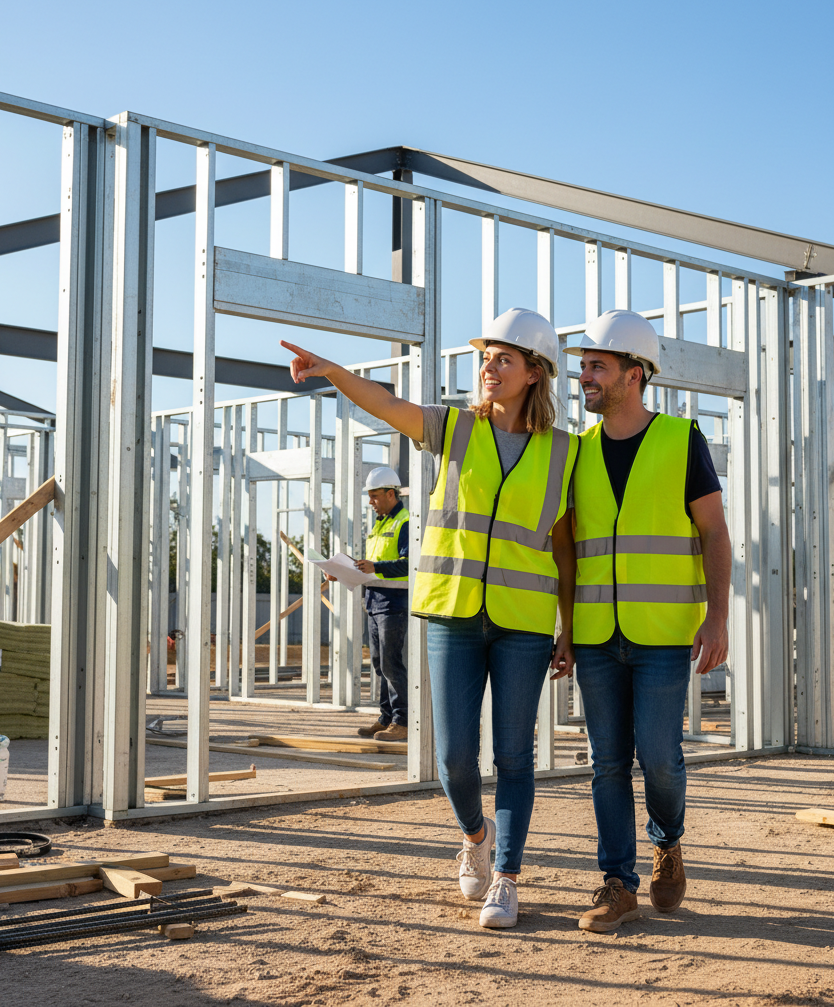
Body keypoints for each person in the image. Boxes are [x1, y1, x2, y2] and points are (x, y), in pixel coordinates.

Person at [282, 308, 579, 929]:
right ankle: (475, 835)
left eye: (504, 359)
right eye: (486, 358)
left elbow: (564, 548)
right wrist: (333, 370)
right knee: (453, 759)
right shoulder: (456, 427)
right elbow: (387, 404)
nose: (489, 368)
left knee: (515, 757)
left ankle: (506, 877)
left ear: (535, 373)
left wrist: (568, 630)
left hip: (524, 621)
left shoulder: (565, 452)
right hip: (453, 614)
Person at [565, 309, 731, 933]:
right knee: (606, 762)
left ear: (634, 374)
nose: (585, 376)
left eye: (597, 366)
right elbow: (565, 546)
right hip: (595, 635)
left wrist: (717, 618)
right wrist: (564, 628)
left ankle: (668, 841)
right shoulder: (576, 452)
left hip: (662, 632)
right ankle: (617, 882)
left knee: (659, 757)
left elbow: (714, 532)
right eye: (584, 366)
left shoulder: (681, 439)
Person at [352, 466, 410, 743]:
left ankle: (403, 721)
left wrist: (375, 566)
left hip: (393, 602)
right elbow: (373, 566)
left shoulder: (406, 522)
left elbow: (409, 564)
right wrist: (347, 570)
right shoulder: (380, 523)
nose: (371, 501)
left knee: (391, 663)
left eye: (375, 496)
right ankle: (386, 718)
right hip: (374, 601)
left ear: (390, 494)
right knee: (379, 664)